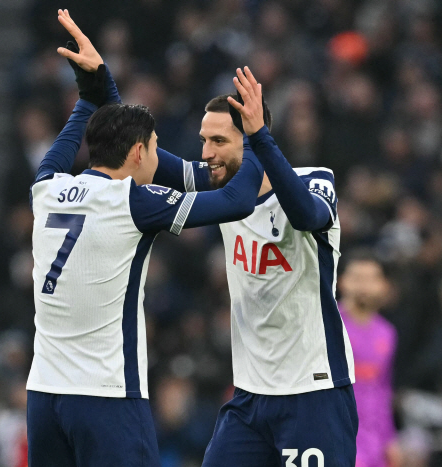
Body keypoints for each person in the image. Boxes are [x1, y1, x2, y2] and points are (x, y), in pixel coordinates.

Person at [25, 10, 264, 467]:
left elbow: (88, 124)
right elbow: (235, 200)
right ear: (138, 152)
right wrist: (253, 137)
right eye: (155, 147)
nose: (161, 155)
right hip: (107, 397)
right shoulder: (133, 202)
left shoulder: (46, 187)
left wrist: (94, 91)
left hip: (44, 395)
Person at [151, 70, 358, 465]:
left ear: (250, 142)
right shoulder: (223, 189)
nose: (206, 153)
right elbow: (155, 160)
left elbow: (305, 214)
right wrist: (104, 93)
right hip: (250, 397)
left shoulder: (314, 182)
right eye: (203, 141)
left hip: (312, 391)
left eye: (218, 141)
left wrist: (261, 138)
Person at [338, 252, 401, 467]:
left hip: (375, 442)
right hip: (338, 435)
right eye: (357, 278)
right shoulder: (329, 325)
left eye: (371, 278)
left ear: (384, 285)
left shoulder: (387, 333)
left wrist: (390, 439)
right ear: (342, 281)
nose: (364, 286)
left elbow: (383, 389)